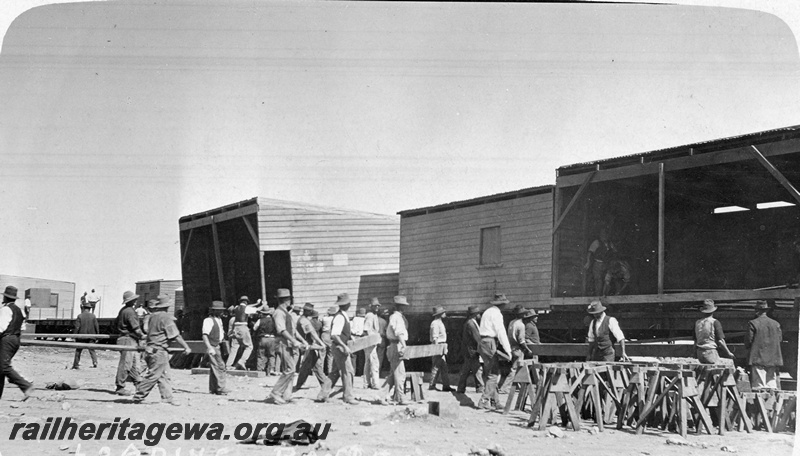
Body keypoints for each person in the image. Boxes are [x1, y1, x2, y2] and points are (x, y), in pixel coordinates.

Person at [132, 295, 191, 405]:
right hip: (159, 350)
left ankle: (167, 397)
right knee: (154, 375)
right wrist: (186, 346)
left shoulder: (152, 316)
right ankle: (139, 395)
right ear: (167, 306)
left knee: (164, 375)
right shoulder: (166, 318)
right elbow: (175, 335)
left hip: (150, 349)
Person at [268, 289, 307, 404]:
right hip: (282, 343)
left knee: (290, 370)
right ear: (286, 300)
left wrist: (302, 340)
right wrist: (293, 341)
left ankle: (287, 396)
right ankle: (276, 392)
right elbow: (281, 330)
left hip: (288, 343)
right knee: (290, 369)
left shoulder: (286, 312)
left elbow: (293, 330)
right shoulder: (279, 313)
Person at [317, 293, 358, 405]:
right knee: (348, 371)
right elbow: (335, 335)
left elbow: (342, 332)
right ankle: (348, 396)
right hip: (340, 347)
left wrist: (350, 336)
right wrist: (344, 346)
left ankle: (322, 394)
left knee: (334, 373)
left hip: (339, 347)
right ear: (348, 305)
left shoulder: (343, 316)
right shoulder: (340, 317)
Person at [477, 293, 512, 410]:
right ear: (502, 305)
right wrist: (508, 350)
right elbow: (501, 332)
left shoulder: (487, 312)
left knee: (490, 372)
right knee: (493, 374)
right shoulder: (497, 314)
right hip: (490, 342)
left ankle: (495, 401)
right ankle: (483, 400)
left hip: (483, 342)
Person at [0, 286, 34, 400]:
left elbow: (1, 328)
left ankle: (26, 386)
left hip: (6, 339)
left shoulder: (5, 310)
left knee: (4, 366)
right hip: (16, 339)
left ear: (5, 297)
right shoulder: (20, 311)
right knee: (1, 367)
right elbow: (23, 327)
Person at [379, 295, 410, 405]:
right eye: (403, 306)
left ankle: (381, 396)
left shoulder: (397, 317)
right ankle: (400, 397)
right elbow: (399, 333)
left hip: (395, 345)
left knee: (393, 374)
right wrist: (404, 346)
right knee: (400, 373)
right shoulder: (397, 317)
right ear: (400, 307)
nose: (405, 308)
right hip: (396, 345)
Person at [745, 300, 783, 389]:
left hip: (757, 358)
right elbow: (780, 339)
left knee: (758, 387)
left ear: (757, 311)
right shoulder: (776, 324)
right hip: (773, 358)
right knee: (772, 385)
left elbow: (749, 341)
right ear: (766, 311)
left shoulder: (753, 323)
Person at [115, 290, 144, 396]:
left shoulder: (123, 310)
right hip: (128, 339)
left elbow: (115, 323)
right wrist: (143, 336)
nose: (136, 301)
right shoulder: (130, 312)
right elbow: (136, 328)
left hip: (126, 339)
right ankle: (120, 387)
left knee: (133, 364)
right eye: (134, 299)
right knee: (126, 364)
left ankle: (138, 384)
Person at [500, 305, 534, 391]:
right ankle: (505, 387)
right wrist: (528, 350)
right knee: (515, 369)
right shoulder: (521, 325)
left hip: (512, 347)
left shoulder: (511, 322)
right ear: (521, 315)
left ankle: (518, 386)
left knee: (517, 368)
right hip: (518, 349)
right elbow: (521, 340)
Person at [294, 303, 326, 392]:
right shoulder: (304, 321)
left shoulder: (302, 319)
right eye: (310, 311)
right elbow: (312, 333)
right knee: (316, 366)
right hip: (308, 345)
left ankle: (299, 384)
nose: (311, 312)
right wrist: (321, 343)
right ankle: (325, 385)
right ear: (307, 311)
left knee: (307, 366)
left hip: (307, 345)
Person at [202, 301, 230, 395]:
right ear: (213, 311)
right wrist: (209, 347)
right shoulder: (208, 321)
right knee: (220, 366)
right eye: (218, 310)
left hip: (218, 345)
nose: (221, 312)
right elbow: (205, 335)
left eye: (221, 310)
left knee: (215, 367)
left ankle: (214, 388)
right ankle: (220, 388)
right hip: (213, 346)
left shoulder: (219, 320)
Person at [694, 299, 734, 364]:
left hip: (700, 353)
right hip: (710, 352)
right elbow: (721, 341)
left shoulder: (697, 322)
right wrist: (729, 353)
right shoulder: (714, 322)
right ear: (713, 311)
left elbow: (695, 341)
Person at [457, 305, 484, 394]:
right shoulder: (471, 324)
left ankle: (461, 388)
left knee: (466, 370)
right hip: (472, 351)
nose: (480, 315)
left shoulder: (469, 322)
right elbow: (477, 338)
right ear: (475, 314)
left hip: (468, 350)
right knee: (477, 369)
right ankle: (480, 388)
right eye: (479, 313)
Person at [226, 296, 256, 371]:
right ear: (246, 302)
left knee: (234, 347)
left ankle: (228, 365)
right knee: (249, 346)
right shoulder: (247, 308)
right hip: (243, 327)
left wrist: (256, 303)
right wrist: (261, 305)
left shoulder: (236, 307)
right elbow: (257, 309)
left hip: (236, 328)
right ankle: (242, 361)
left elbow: (248, 306)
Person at [584, 228, 616, 296]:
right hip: (598, 264)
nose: (605, 236)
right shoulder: (596, 242)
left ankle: (605, 296)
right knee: (598, 281)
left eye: (606, 234)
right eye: (603, 234)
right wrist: (588, 261)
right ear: (600, 235)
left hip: (606, 264)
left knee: (607, 281)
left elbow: (614, 252)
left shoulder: (610, 244)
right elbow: (590, 252)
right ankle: (598, 296)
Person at [428, 306, 453, 392]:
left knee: (444, 366)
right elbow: (435, 337)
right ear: (439, 314)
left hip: (442, 346)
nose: (445, 314)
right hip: (438, 345)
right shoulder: (435, 323)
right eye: (443, 313)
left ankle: (446, 386)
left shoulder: (440, 322)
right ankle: (432, 385)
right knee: (436, 366)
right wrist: (436, 349)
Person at [72, 301, 99, 369]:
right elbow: (96, 326)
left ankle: (76, 364)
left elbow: (77, 327)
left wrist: (74, 335)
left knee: (78, 350)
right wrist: (97, 336)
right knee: (92, 349)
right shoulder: (93, 316)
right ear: (90, 309)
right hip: (91, 336)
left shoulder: (80, 316)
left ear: (83, 308)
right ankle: (95, 362)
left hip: (81, 336)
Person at [363, 298, 382, 389]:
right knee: (374, 362)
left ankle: (366, 383)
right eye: (375, 306)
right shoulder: (370, 315)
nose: (377, 307)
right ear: (371, 306)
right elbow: (366, 329)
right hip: (370, 342)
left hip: (372, 341)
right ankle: (375, 383)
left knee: (368, 362)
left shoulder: (374, 315)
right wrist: (371, 341)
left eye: (378, 305)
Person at [254, 306, 279, 375]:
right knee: (272, 355)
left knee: (261, 354)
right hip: (272, 338)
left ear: (262, 313)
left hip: (263, 338)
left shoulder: (260, 320)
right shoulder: (274, 320)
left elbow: (254, 328)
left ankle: (260, 369)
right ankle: (271, 369)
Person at [321, 306, 336, 375]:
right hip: (331, 335)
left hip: (324, 334)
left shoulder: (324, 318)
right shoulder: (335, 319)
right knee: (330, 355)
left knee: (322, 354)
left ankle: (320, 371)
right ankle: (329, 371)